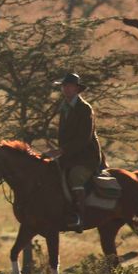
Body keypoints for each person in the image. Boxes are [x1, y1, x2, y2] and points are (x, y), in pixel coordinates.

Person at [46, 73, 105, 228]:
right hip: (69, 155)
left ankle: (80, 216)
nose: (66, 89)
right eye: (64, 86)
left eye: (69, 86)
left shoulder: (85, 109)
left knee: (75, 177)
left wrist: (61, 151)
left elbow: (83, 138)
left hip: (87, 157)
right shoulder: (64, 107)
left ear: (77, 89)